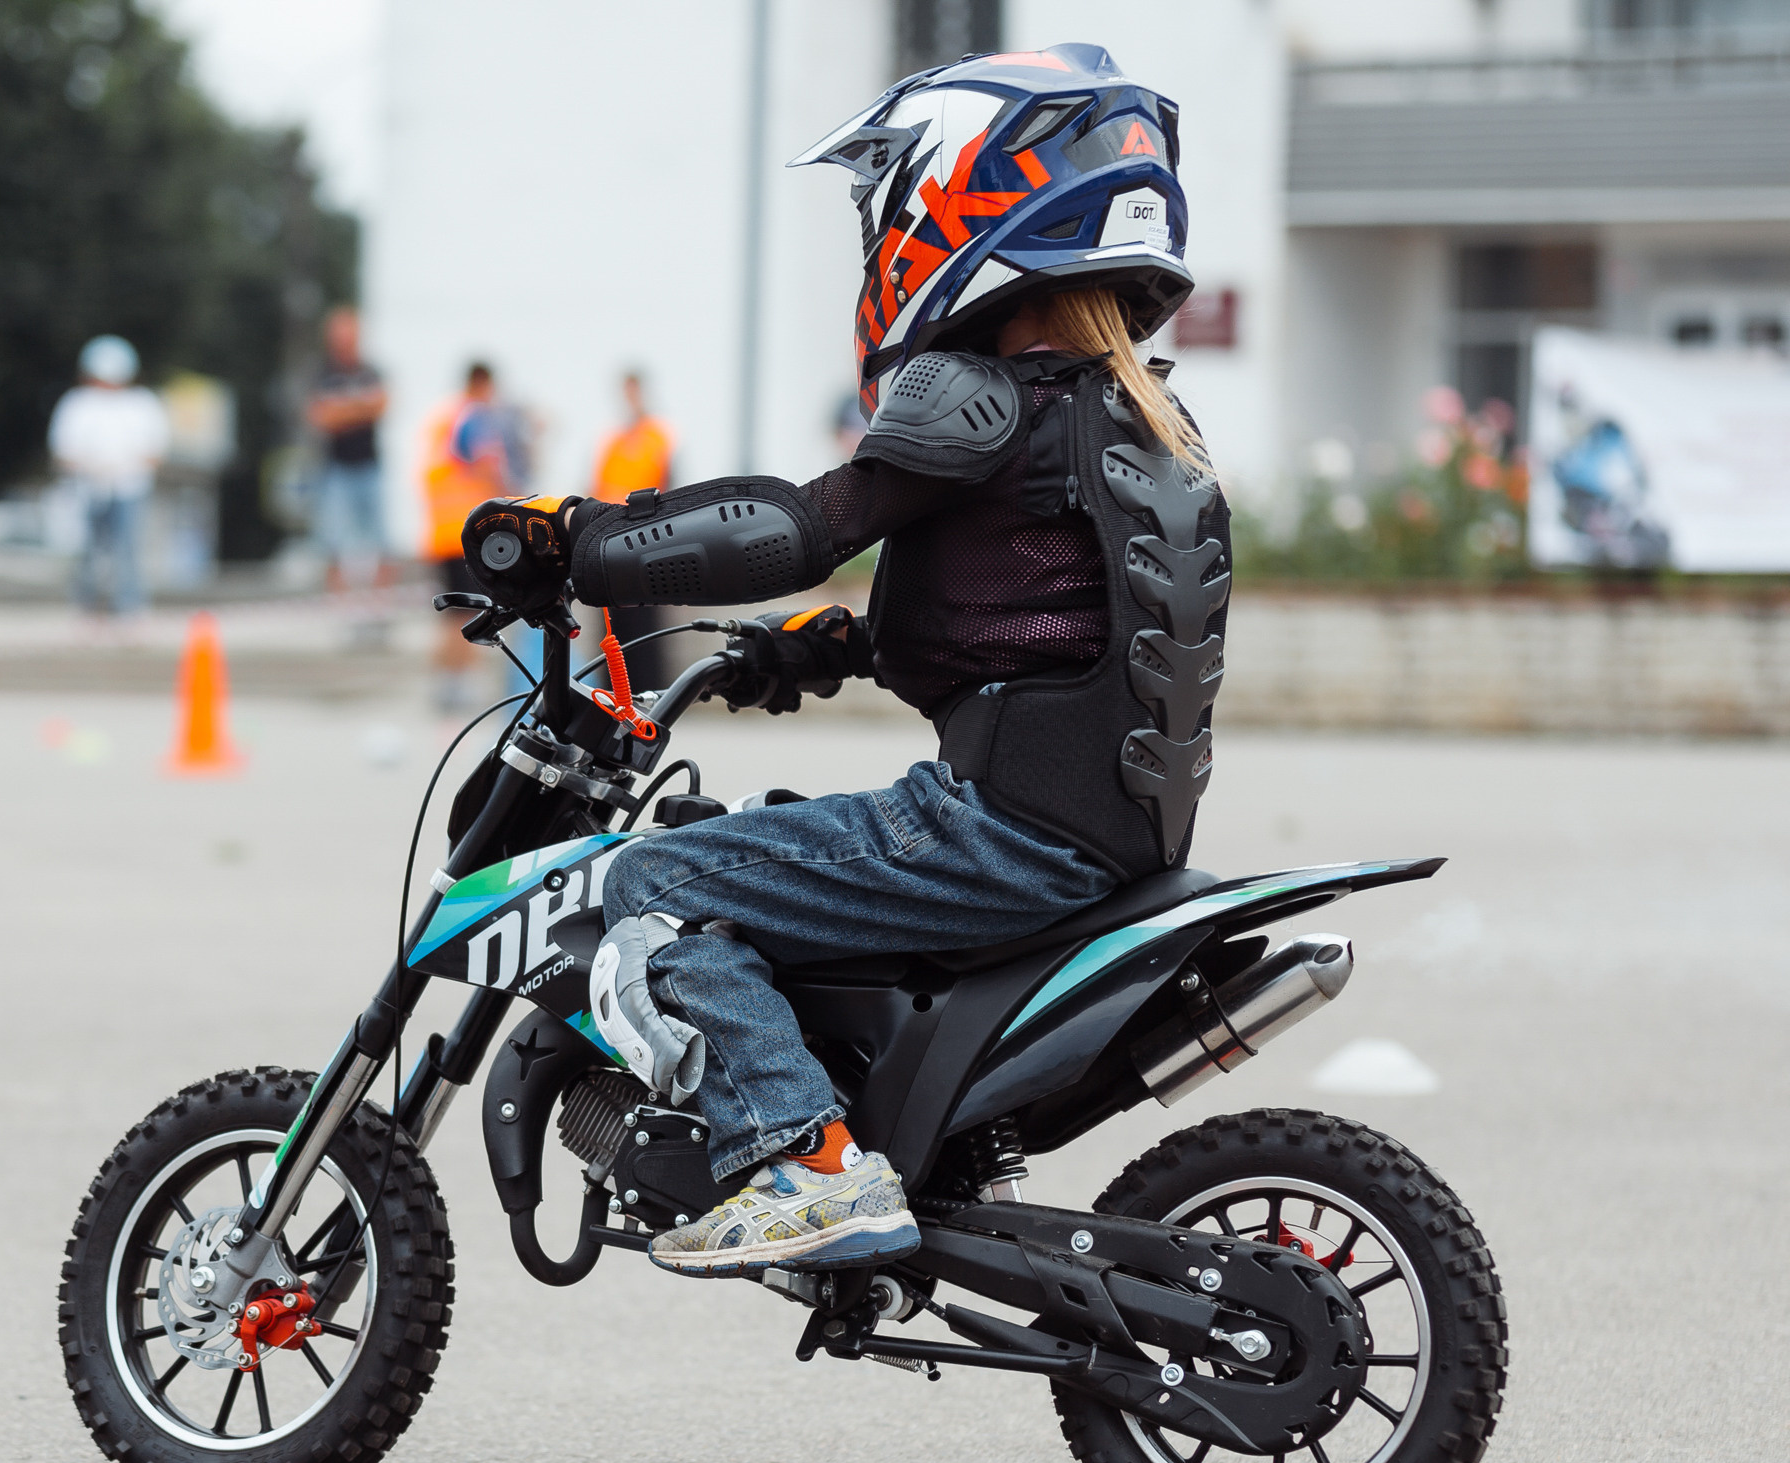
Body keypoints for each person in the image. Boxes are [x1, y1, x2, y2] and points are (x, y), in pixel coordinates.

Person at [461, 44, 1227, 1277]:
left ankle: (804, 1166)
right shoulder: (1137, 416)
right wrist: (840, 648)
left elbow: (798, 529)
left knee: (653, 881)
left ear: (961, 195)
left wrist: (582, 541)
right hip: (1109, 830)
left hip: (996, 830)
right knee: (757, 852)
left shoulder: (980, 392)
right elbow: (1051, 616)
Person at [49, 335, 170, 630]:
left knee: (128, 549)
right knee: (88, 551)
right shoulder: (77, 403)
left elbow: (156, 451)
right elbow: (63, 451)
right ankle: (87, 608)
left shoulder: (142, 404)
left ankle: (129, 607)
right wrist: (92, 468)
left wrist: (124, 467)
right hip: (88, 489)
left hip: (130, 488)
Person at [418, 361, 512, 710]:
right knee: (471, 613)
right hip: (465, 531)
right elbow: (489, 468)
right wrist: (516, 504)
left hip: (442, 530)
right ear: (482, 384)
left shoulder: (445, 416)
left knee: (452, 614)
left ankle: (446, 683)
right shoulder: (473, 418)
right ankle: (458, 685)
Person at [306, 307, 397, 640]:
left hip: (369, 465)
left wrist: (342, 409)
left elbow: (382, 405)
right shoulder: (322, 372)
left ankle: (380, 606)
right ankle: (341, 611)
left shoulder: (370, 370)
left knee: (381, 541)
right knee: (333, 542)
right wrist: (360, 407)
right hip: (336, 469)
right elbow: (320, 418)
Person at [589, 370, 679, 688]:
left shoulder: (657, 436)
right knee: (613, 617)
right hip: (611, 536)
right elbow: (598, 486)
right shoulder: (614, 439)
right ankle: (612, 687)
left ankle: (648, 686)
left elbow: (667, 484)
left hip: (645, 536)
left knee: (644, 616)